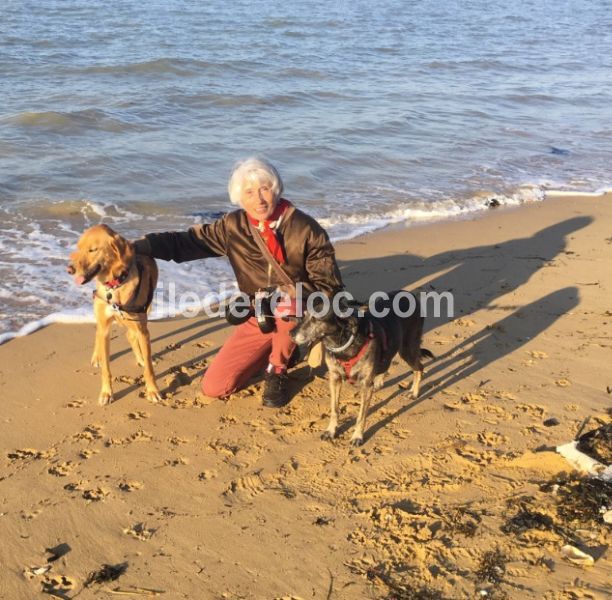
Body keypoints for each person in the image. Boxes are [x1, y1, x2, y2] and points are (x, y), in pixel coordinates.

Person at [133, 157, 343, 407]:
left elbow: (329, 287)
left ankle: (278, 370)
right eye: (250, 192)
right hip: (260, 314)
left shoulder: (305, 228)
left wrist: (288, 294)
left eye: (265, 189)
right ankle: (283, 349)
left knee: (288, 305)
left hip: (300, 314)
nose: (259, 199)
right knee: (215, 387)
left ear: (275, 189)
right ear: (239, 198)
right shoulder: (233, 226)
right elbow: (188, 242)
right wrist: (140, 246)